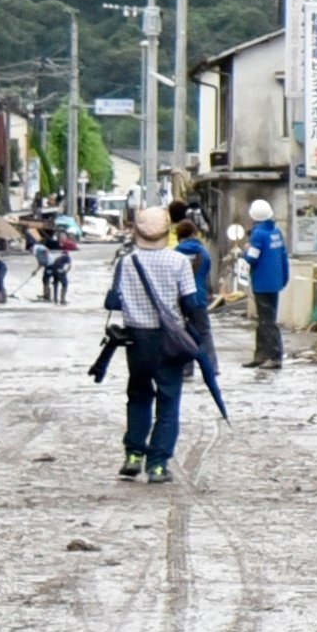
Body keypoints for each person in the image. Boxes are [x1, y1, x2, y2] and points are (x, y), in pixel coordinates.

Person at [99, 206, 208, 483]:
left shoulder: (126, 262)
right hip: (170, 340)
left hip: (136, 339)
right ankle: (157, 465)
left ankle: (133, 455)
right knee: (168, 400)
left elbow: (113, 301)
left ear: (137, 232)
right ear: (167, 230)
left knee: (138, 396)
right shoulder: (179, 262)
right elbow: (192, 303)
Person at [241, 200, 290, 371]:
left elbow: (252, 258)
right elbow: (283, 256)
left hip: (261, 282)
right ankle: (261, 355)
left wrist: (245, 251)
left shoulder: (258, 234)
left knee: (266, 321)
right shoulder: (276, 232)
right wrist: (284, 278)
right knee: (266, 319)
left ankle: (274, 356)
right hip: (275, 281)